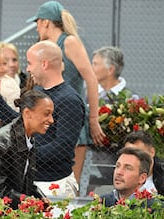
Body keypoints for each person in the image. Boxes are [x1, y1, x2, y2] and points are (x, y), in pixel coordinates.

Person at [0, 40, 85, 197]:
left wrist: (24, 154)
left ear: (44, 64)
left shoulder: (70, 100)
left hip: (53, 186)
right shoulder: (38, 91)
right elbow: (21, 123)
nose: (27, 68)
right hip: (30, 183)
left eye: (31, 63)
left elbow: (63, 148)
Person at [26, 1, 105, 189]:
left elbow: (91, 79)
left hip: (68, 118)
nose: (36, 27)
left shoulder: (69, 42)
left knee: (68, 184)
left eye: (37, 22)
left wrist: (93, 118)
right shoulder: (43, 47)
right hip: (46, 122)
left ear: (46, 22)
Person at [123, 131, 164, 201]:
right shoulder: (121, 177)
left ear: (152, 152)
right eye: (129, 154)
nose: (134, 159)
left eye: (139, 154)